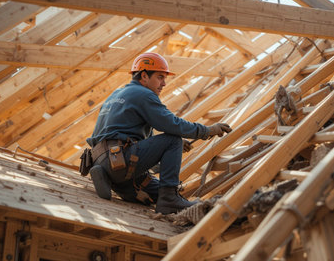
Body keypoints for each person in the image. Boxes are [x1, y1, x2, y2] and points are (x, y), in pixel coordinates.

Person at [86, 52, 231, 214]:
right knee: (173, 139)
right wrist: (207, 130)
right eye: (160, 77)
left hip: (105, 161)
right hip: (120, 160)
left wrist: (163, 153)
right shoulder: (144, 94)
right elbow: (172, 124)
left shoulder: (116, 95)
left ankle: (121, 182)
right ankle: (169, 200)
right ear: (144, 76)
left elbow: (119, 135)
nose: (164, 83)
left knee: (156, 192)